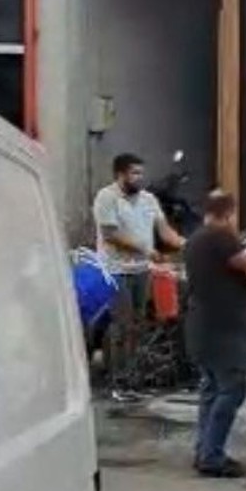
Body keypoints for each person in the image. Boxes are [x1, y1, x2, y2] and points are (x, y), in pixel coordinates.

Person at [183, 190, 246, 478]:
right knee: (232, 388)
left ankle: (203, 450)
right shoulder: (222, 237)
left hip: (201, 324)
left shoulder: (195, 239)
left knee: (211, 388)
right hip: (223, 327)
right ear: (229, 212)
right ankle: (212, 456)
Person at [93, 153, 184, 399]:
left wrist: (187, 244)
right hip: (115, 270)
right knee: (122, 325)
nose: (139, 178)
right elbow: (111, 235)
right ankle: (117, 383)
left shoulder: (148, 199)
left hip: (141, 269)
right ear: (120, 174)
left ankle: (132, 379)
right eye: (134, 173)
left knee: (138, 325)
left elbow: (164, 231)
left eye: (141, 173)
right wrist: (146, 250)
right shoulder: (107, 197)